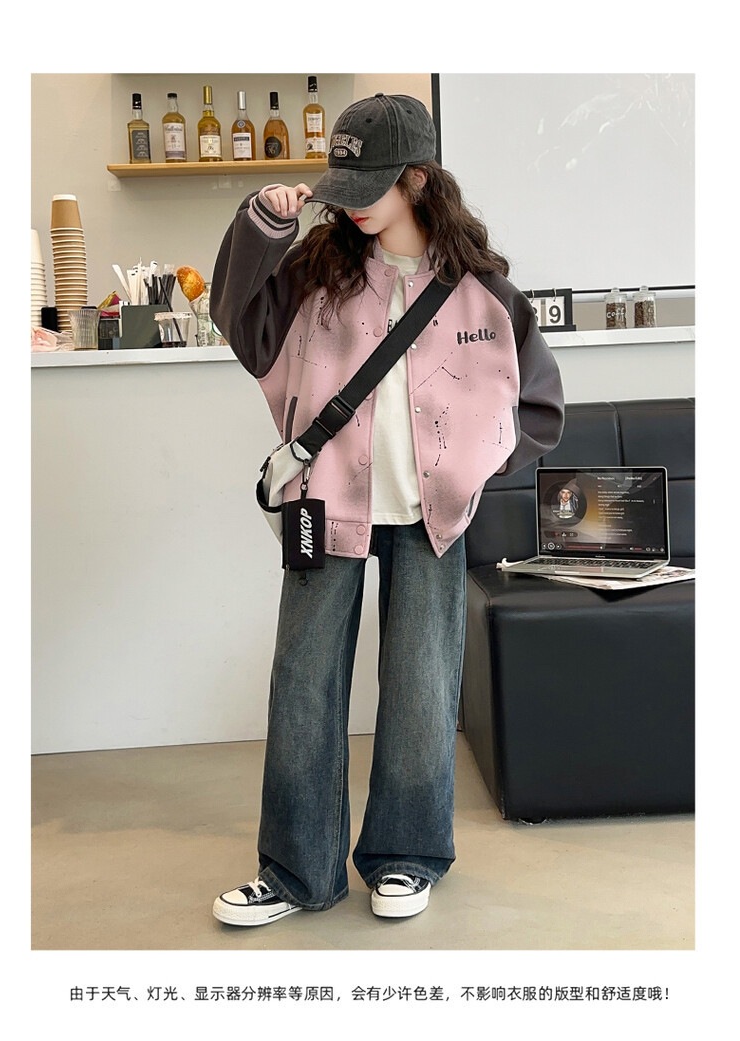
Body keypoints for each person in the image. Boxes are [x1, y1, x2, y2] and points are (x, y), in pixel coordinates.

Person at [209, 93, 564, 928]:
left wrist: (470, 469)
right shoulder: (316, 273)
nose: (352, 202)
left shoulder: (484, 291)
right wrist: (262, 227)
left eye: (369, 184)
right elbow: (240, 325)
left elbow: (540, 406)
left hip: (433, 518)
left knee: (421, 689)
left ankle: (407, 853)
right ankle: (294, 869)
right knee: (303, 684)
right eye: (344, 185)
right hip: (324, 505)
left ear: (418, 178)